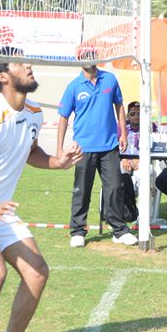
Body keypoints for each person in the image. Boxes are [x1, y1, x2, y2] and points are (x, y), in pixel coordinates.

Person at [0, 48, 82, 332]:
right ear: (3, 77)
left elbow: (32, 153)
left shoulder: (34, 113)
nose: (28, 65)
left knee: (37, 272)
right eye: (19, 63)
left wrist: (57, 162)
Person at [57, 53, 137, 247]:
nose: (91, 63)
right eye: (87, 60)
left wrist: (123, 135)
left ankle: (119, 230)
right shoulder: (73, 87)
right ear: (81, 62)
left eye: (93, 59)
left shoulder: (109, 79)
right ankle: (78, 231)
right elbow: (63, 118)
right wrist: (59, 149)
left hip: (109, 146)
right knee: (81, 190)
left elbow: (119, 105)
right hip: (83, 148)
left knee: (115, 188)